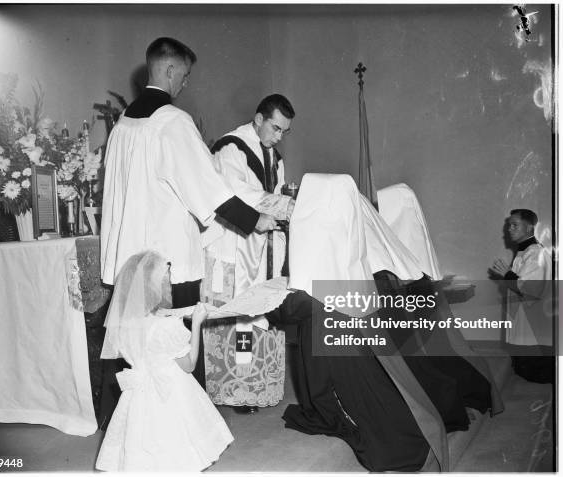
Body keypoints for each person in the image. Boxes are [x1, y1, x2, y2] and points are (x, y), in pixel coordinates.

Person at [267, 173, 501, 471]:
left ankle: (408, 436)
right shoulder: (349, 259)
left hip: (333, 361)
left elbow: (294, 308)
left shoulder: (319, 268)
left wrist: (269, 298)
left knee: (353, 405)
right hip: (363, 339)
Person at [99, 37, 277, 392]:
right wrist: (255, 219)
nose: (186, 82)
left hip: (131, 265)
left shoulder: (122, 125)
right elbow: (206, 186)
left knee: (136, 354)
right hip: (167, 264)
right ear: (169, 69)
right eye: (185, 74)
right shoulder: (172, 121)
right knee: (176, 350)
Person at [95, 251, 233, 472]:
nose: (170, 286)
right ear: (152, 287)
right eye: (166, 281)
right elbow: (189, 365)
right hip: (170, 390)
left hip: (138, 395)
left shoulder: (124, 325)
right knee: (175, 442)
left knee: (142, 442)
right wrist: (196, 324)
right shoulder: (166, 327)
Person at [200, 95, 295, 412]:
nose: (279, 137)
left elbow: (278, 194)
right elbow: (237, 193)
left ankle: (250, 380)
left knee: (255, 313)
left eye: (284, 131)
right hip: (232, 243)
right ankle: (234, 386)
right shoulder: (232, 147)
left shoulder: (275, 158)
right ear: (258, 119)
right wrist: (281, 205)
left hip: (259, 245)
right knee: (235, 314)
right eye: (275, 128)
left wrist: (283, 207)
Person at [490, 208, 553, 383]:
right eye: (509, 225)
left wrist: (508, 275)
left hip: (533, 319)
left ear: (530, 228)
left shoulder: (535, 253)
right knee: (523, 365)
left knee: (534, 371)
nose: (509, 229)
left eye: (514, 225)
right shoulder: (525, 252)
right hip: (524, 315)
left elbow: (531, 287)